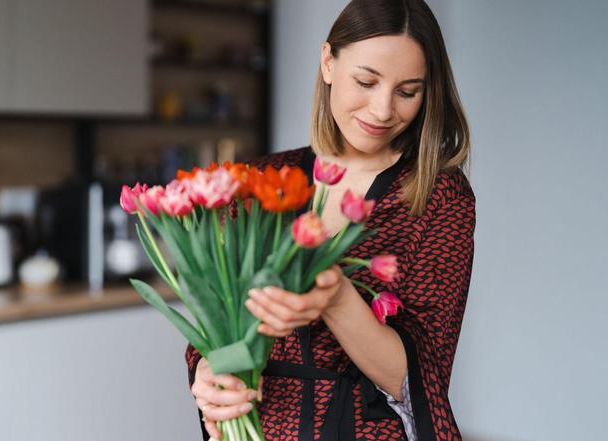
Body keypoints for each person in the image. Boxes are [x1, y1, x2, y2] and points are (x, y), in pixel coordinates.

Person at [186, 0, 476, 440]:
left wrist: (338, 297)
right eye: (366, 80)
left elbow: (420, 379)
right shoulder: (258, 183)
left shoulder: (437, 196)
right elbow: (214, 326)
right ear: (328, 63)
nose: (382, 110)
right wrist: (209, 373)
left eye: (407, 91)